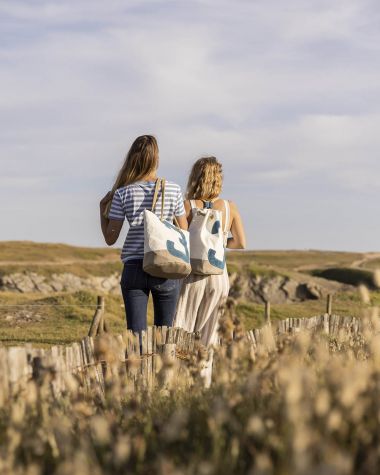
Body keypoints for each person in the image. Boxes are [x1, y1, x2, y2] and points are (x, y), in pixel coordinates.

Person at [99, 135, 188, 335]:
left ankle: (135, 366)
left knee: (135, 336)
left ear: (133, 158)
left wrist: (101, 210)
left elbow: (110, 238)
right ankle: (163, 366)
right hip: (165, 266)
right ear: (156, 158)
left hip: (134, 268)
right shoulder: (173, 190)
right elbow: (184, 231)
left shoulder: (123, 193)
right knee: (165, 336)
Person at [174, 156, 246, 384]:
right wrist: (218, 243)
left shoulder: (187, 206)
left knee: (181, 330)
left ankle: (179, 381)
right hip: (218, 277)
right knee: (209, 336)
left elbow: (179, 240)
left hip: (192, 277)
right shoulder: (229, 207)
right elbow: (241, 243)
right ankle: (202, 385)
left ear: (195, 177)